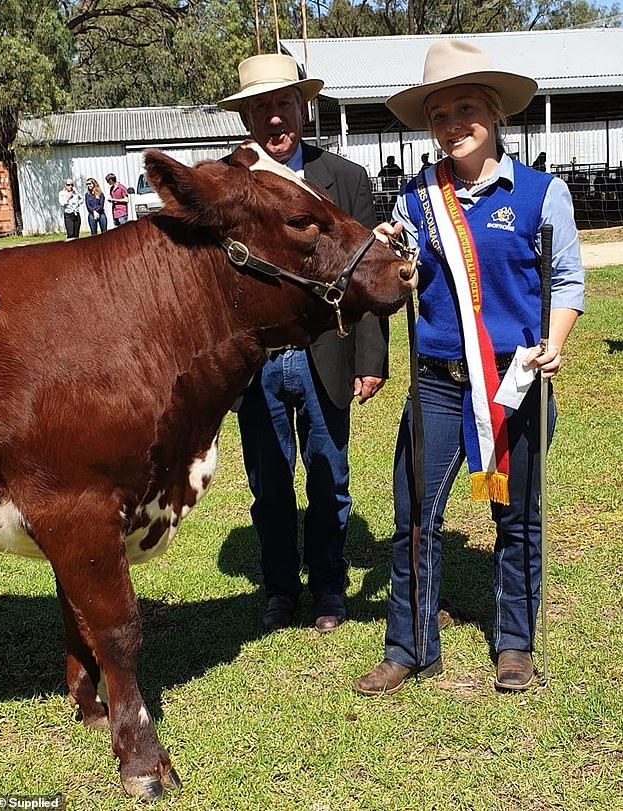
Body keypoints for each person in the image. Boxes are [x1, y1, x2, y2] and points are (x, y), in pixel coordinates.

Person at [354, 39, 584, 695]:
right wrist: (386, 250)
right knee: (415, 517)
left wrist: (555, 341)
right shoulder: (417, 199)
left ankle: (514, 645)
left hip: (515, 384)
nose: (452, 125)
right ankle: (410, 646)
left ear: (493, 115)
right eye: (439, 115)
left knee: (514, 516)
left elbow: (566, 282)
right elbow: (397, 267)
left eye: (464, 110)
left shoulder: (544, 194)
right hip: (436, 386)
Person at [217, 53, 389, 633]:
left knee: (329, 478)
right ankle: (279, 591)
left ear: (302, 106)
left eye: (282, 105)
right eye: (260, 108)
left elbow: (364, 274)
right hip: (257, 363)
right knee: (269, 487)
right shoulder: (226, 186)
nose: (274, 120)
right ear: (245, 117)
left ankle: (330, 590)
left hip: (328, 354)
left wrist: (371, 358)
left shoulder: (346, 180)